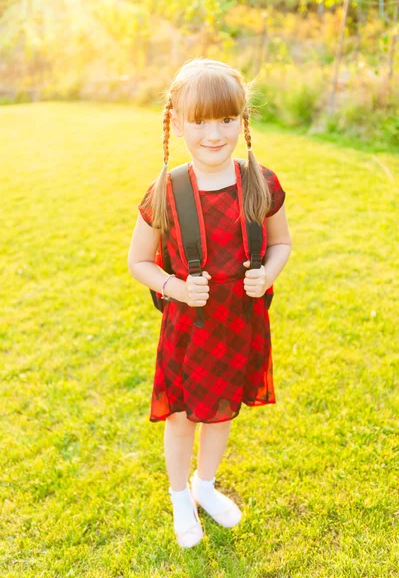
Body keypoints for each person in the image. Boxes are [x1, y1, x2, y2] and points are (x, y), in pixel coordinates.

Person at [128, 57, 292, 548]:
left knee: (220, 411)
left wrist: (267, 275)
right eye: (199, 122)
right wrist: (175, 287)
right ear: (177, 123)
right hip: (188, 329)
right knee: (181, 418)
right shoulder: (166, 192)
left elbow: (281, 244)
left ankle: (205, 485)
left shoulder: (261, 182)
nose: (214, 134)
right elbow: (139, 261)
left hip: (237, 324)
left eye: (226, 120)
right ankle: (181, 496)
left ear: (242, 120)